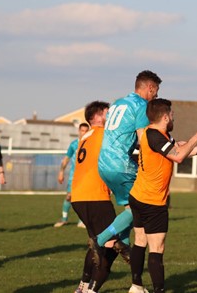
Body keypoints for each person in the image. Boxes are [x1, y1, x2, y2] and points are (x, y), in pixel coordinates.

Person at [128, 98, 197, 293]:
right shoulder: (154, 136)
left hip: (139, 195)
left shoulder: (157, 134)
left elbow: (180, 151)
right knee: (156, 248)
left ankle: (136, 287)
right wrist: (196, 136)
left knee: (140, 240)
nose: (173, 117)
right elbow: (178, 157)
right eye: (172, 115)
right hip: (152, 201)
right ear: (164, 116)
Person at [90, 70, 162, 264]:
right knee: (139, 210)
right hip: (121, 165)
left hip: (104, 163)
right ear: (150, 87)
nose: (156, 95)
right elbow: (143, 140)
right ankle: (101, 240)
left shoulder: (118, 103)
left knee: (131, 207)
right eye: (156, 91)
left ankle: (122, 244)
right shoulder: (141, 106)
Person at [71, 101, 119, 293]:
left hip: (79, 196)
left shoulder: (85, 136)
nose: (110, 116)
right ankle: (91, 289)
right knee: (113, 245)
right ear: (96, 117)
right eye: (107, 113)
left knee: (98, 242)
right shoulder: (102, 134)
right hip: (95, 196)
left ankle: (83, 285)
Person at [54, 123, 90, 228]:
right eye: (82, 130)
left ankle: (81, 221)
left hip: (86, 176)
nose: (84, 133)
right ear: (79, 131)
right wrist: (61, 172)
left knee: (83, 198)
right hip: (73, 176)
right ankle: (64, 219)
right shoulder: (74, 144)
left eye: (86, 131)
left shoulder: (90, 144)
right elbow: (66, 159)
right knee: (69, 197)